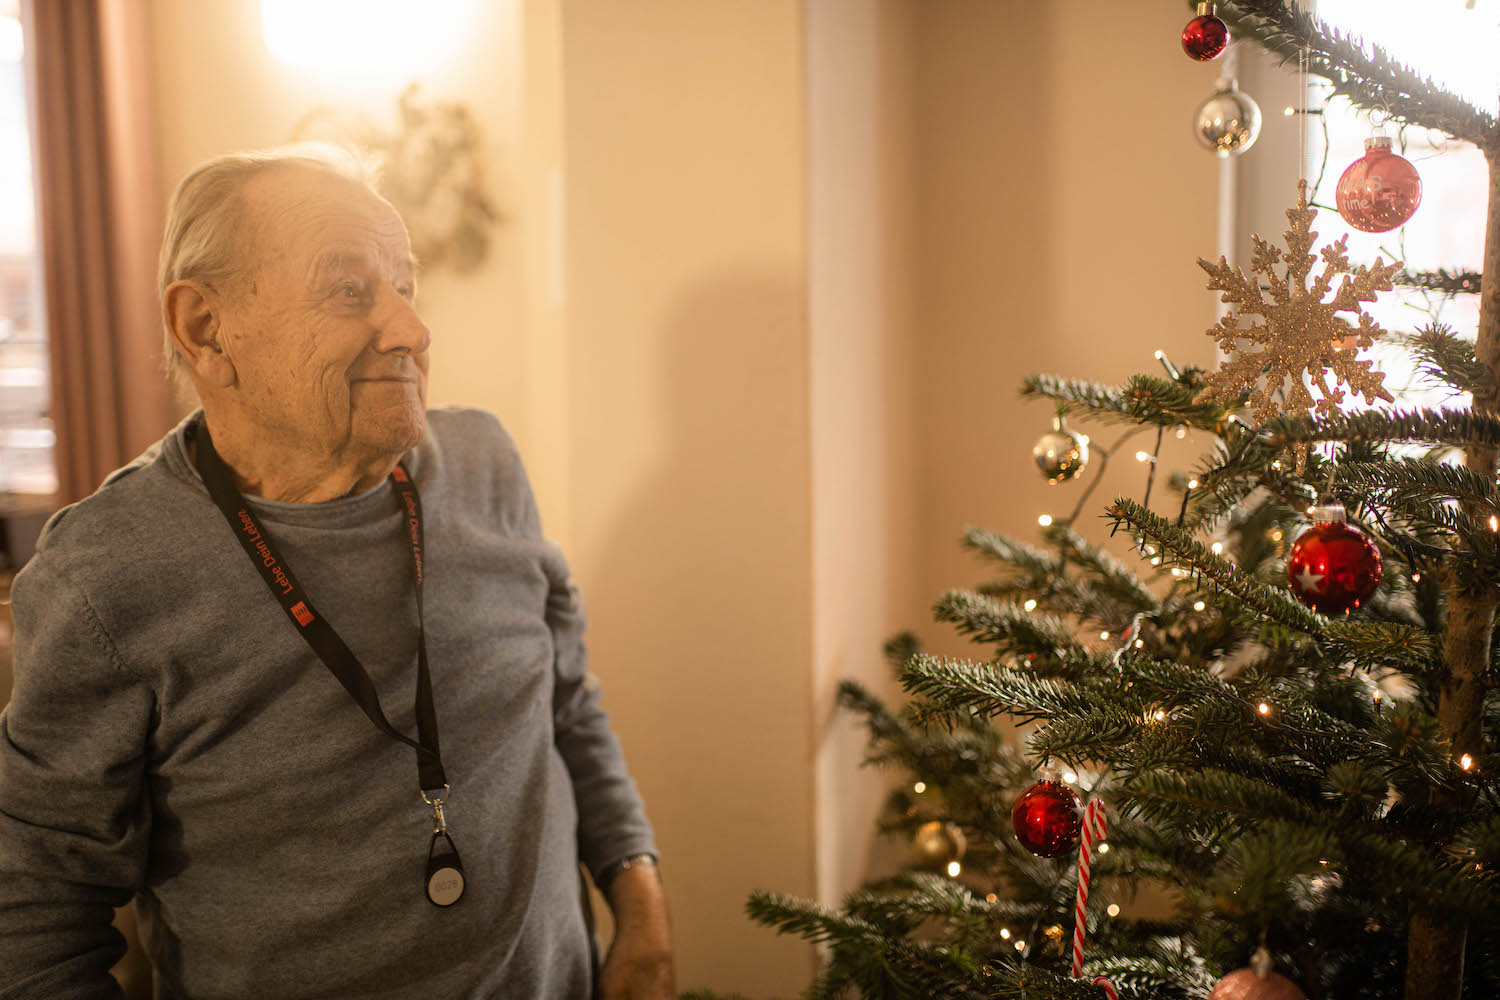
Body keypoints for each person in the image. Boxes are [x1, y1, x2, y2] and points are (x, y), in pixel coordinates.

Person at [0, 145, 673, 999]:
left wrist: (643, 907)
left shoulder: (485, 463)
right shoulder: (105, 575)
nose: (413, 329)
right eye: (351, 290)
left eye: (406, 286)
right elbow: (35, 917)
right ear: (206, 328)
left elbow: (565, 705)